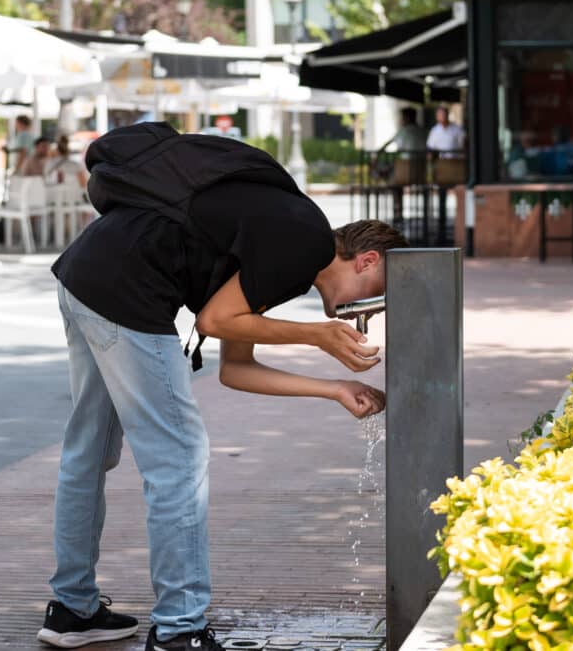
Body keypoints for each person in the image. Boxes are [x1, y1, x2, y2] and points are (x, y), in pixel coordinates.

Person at [37, 122, 404, 651]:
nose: (365, 309)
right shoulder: (302, 239)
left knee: (88, 451)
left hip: (86, 274)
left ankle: (72, 610)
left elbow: (236, 367)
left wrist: (334, 389)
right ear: (366, 260)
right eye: (377, 292)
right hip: (128, 291)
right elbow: (213, 321)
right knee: (179, 461)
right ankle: (180, 630)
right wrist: (318, 335)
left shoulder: (284, 248)